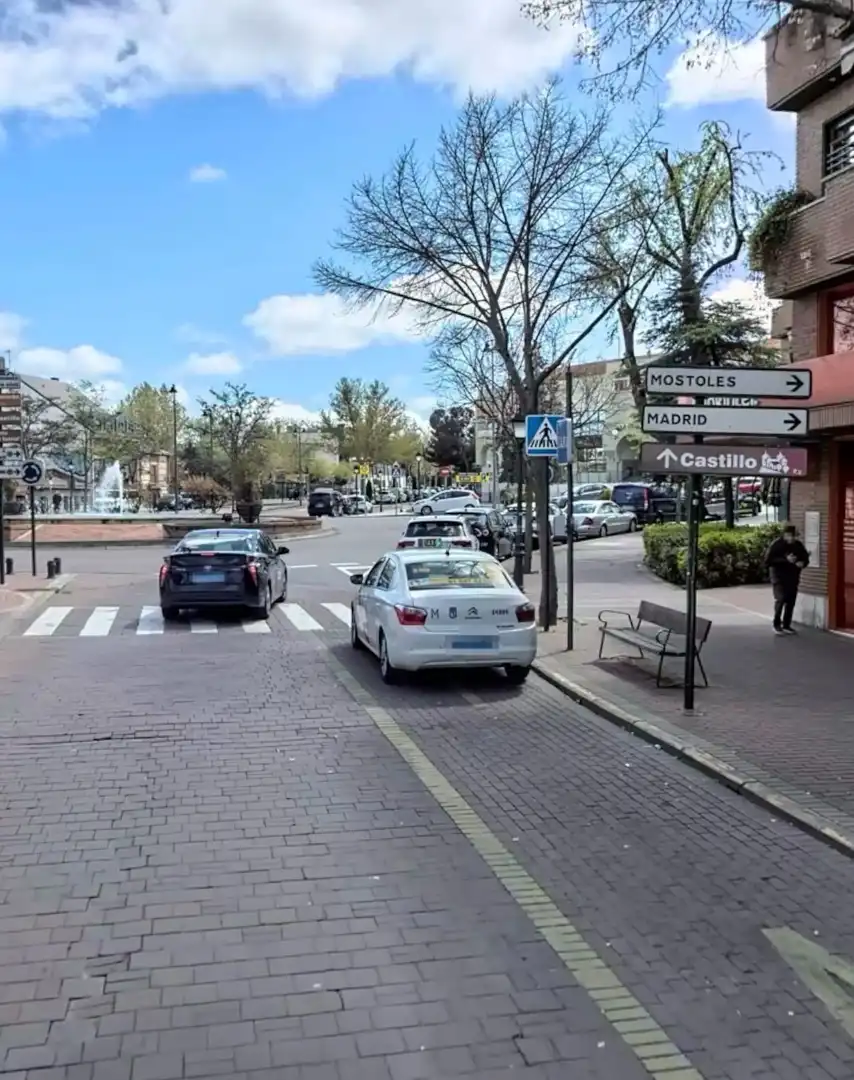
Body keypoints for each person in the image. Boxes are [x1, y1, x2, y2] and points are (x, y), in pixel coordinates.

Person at [765, 525, 810, 635]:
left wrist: (802, 563)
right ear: (784, 535)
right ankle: (776, 624)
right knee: (781, 599)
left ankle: (786, 625)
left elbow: (805, 558)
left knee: (790, 601)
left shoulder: (798, 546)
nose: (792, 539)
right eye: (789, 536)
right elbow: (768, 561)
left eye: (794, 536)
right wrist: (786, 560)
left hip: (793, 577)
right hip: (778, 576)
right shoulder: (777, 545)